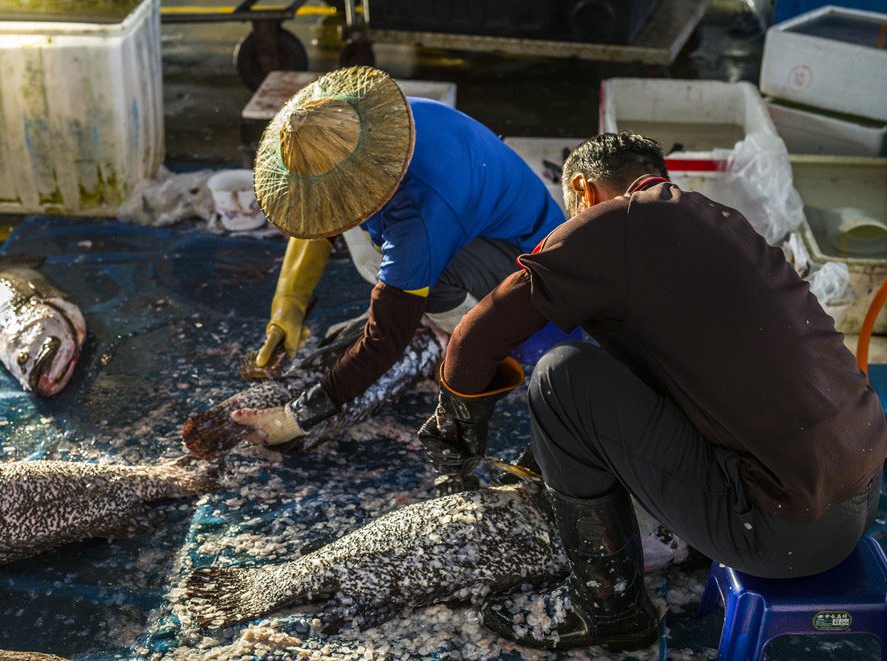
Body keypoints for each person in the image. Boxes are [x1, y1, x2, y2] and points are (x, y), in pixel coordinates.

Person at [416, 131, 887, 652]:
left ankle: (606, 608)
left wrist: (455, 426)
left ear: (582, 189)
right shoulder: (716, 218)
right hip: (859, 500)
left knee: (560, 376)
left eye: (571, 210)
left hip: (782, 534)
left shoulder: (612, 224)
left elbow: (474, 337)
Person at [229, 65, 566, 492]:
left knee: (424, 293)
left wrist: (295, 416)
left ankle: (465, 334)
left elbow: (385, 337)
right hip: (473, 214)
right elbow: (323, 210)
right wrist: (288, 307)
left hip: (523, 261)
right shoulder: (375, 127)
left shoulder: (419, 221)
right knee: (374, 248)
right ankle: (431, 309)